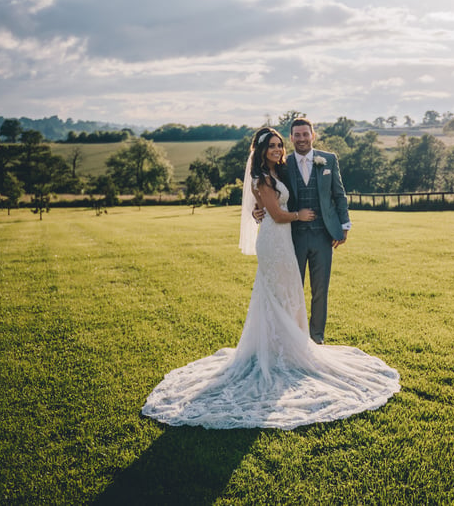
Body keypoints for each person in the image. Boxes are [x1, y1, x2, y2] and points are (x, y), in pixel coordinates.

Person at [142, 127, 398, 430]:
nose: (280, 148)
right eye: (275, 144)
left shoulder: (297, 165)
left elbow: (330, 194)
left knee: (295, 294)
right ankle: (283, 350)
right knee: (281, 294)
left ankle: (302, 342)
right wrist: (274, 214)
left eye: (281, 144)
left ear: (312, 135)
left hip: (295, 239)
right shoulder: (266, 175)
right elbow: (271, 208)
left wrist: (341, 224)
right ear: (265, 149)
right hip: (282, 239)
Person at [254, 117, 350, 344]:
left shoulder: (328, 160)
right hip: (292, 237)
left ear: (312, 135)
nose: (301, 139)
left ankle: (316, 338)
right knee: (290, 290)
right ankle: (292, 338)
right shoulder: (282, 163)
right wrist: (257, 211)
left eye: (305, 134)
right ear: (291, 138)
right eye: (297, 135)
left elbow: (339, 195)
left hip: (322, 235)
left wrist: (344, 225)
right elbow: (267, 190)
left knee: (320, 290)